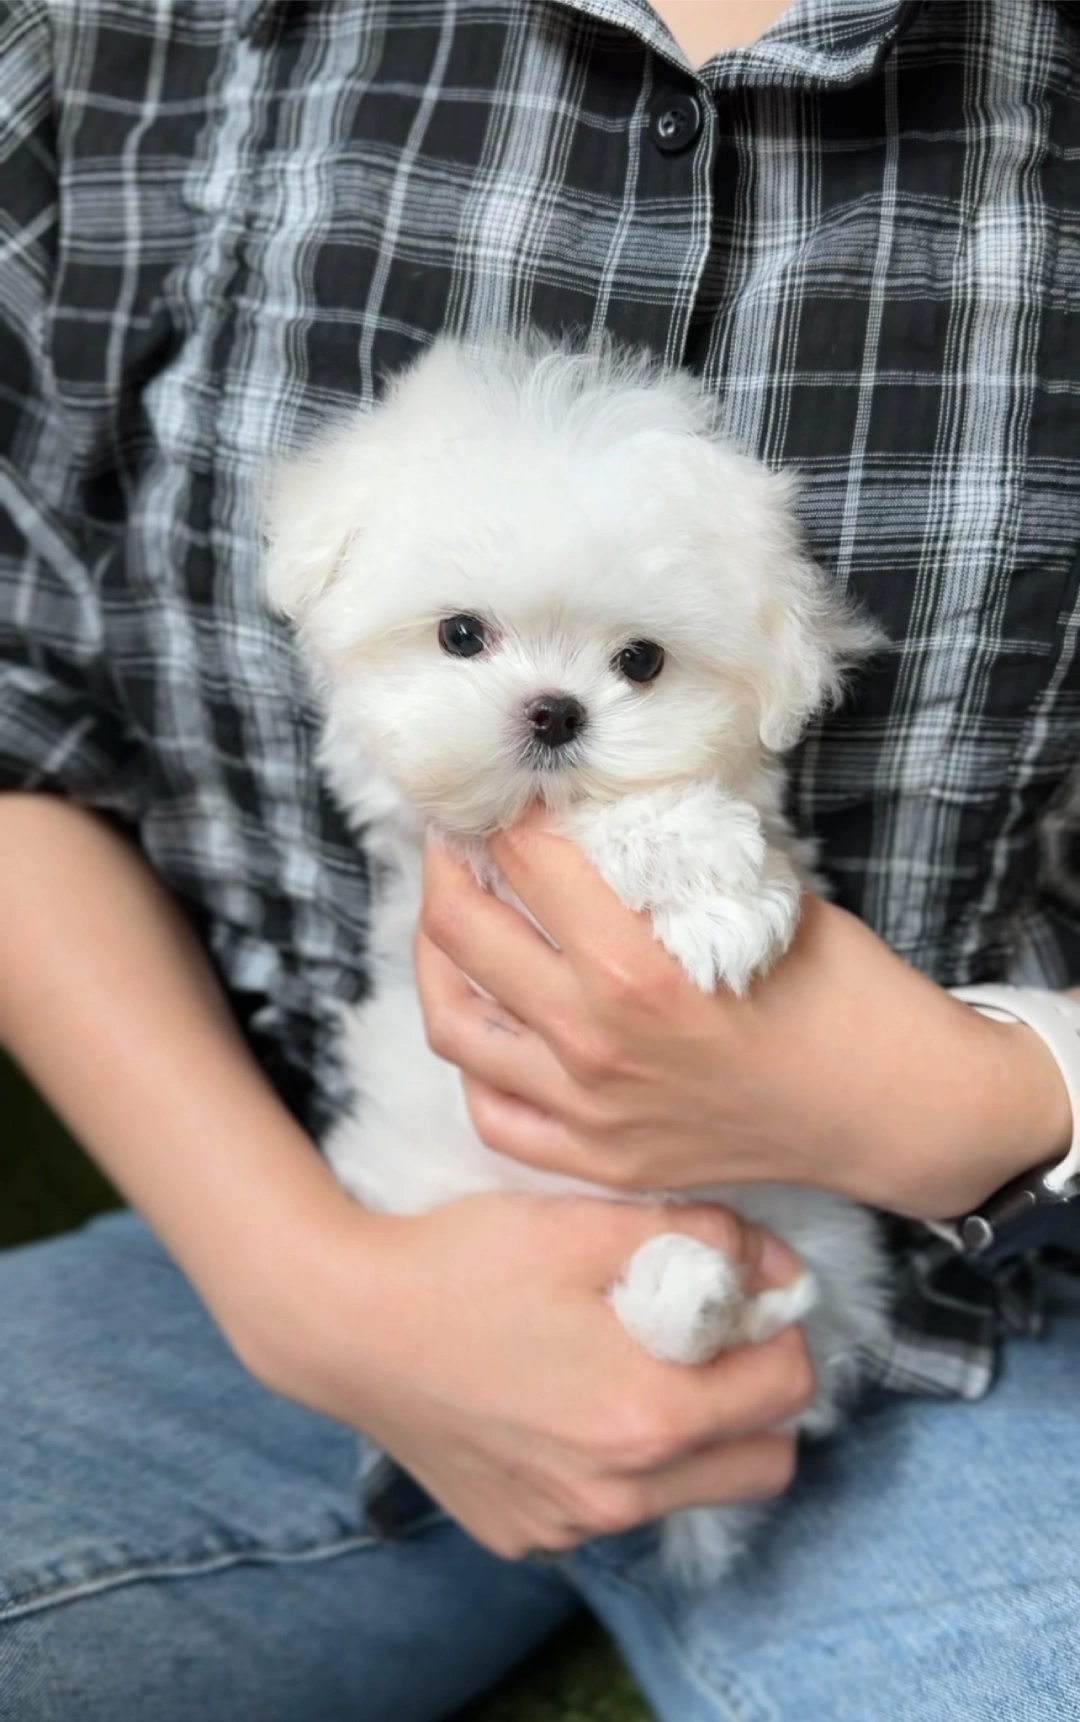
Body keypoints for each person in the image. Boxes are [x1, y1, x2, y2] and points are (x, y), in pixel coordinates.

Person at [1, 1, 1078, 1717]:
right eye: (472, 635)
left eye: (635, 665)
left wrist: (995, 1100)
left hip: (958, 1330)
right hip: (289, 1235)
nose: (553, 707)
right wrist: (311, 1289)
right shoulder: (133, 35)